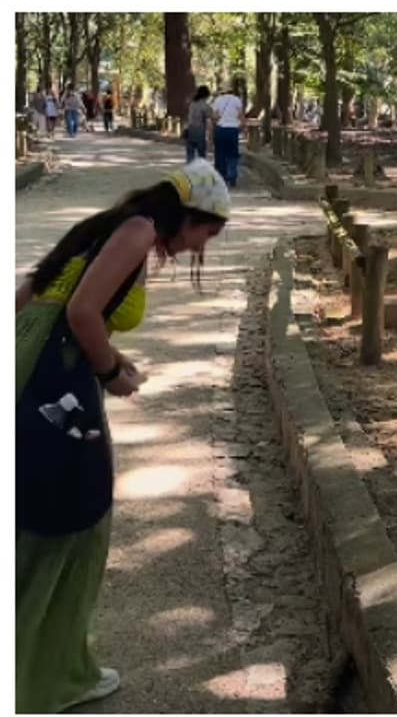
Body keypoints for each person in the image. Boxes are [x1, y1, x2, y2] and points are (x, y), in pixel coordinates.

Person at [15, 158, 230, 713]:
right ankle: (47, 678)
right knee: (69, 520)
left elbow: (37, 294)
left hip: (41, 366)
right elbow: (83, 310)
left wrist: (104, 357)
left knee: (33, 511)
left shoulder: (114, 225)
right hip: (54, 379)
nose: (202, 245)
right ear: (190, 216)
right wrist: (107, 373)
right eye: (208, 231)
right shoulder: (137, 232)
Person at [211, 81, 245, 187]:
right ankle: (232, 176)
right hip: (233, 130)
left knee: (220, 154)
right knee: (233, 154)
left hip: (221, 130)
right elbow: (240, 115)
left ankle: (222, 177)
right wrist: (244, 127)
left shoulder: (217, 100)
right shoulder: (236, 100)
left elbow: (215, 116)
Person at [185, 85, 214, 162]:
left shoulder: (192, 104)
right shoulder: (205, 106)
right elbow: (209, 120)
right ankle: (200, 171)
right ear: (206, 95)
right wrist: (210, 134)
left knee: (190, 153)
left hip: (190, 129)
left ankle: (190, 170)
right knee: (201, 154)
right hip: (199, 131)